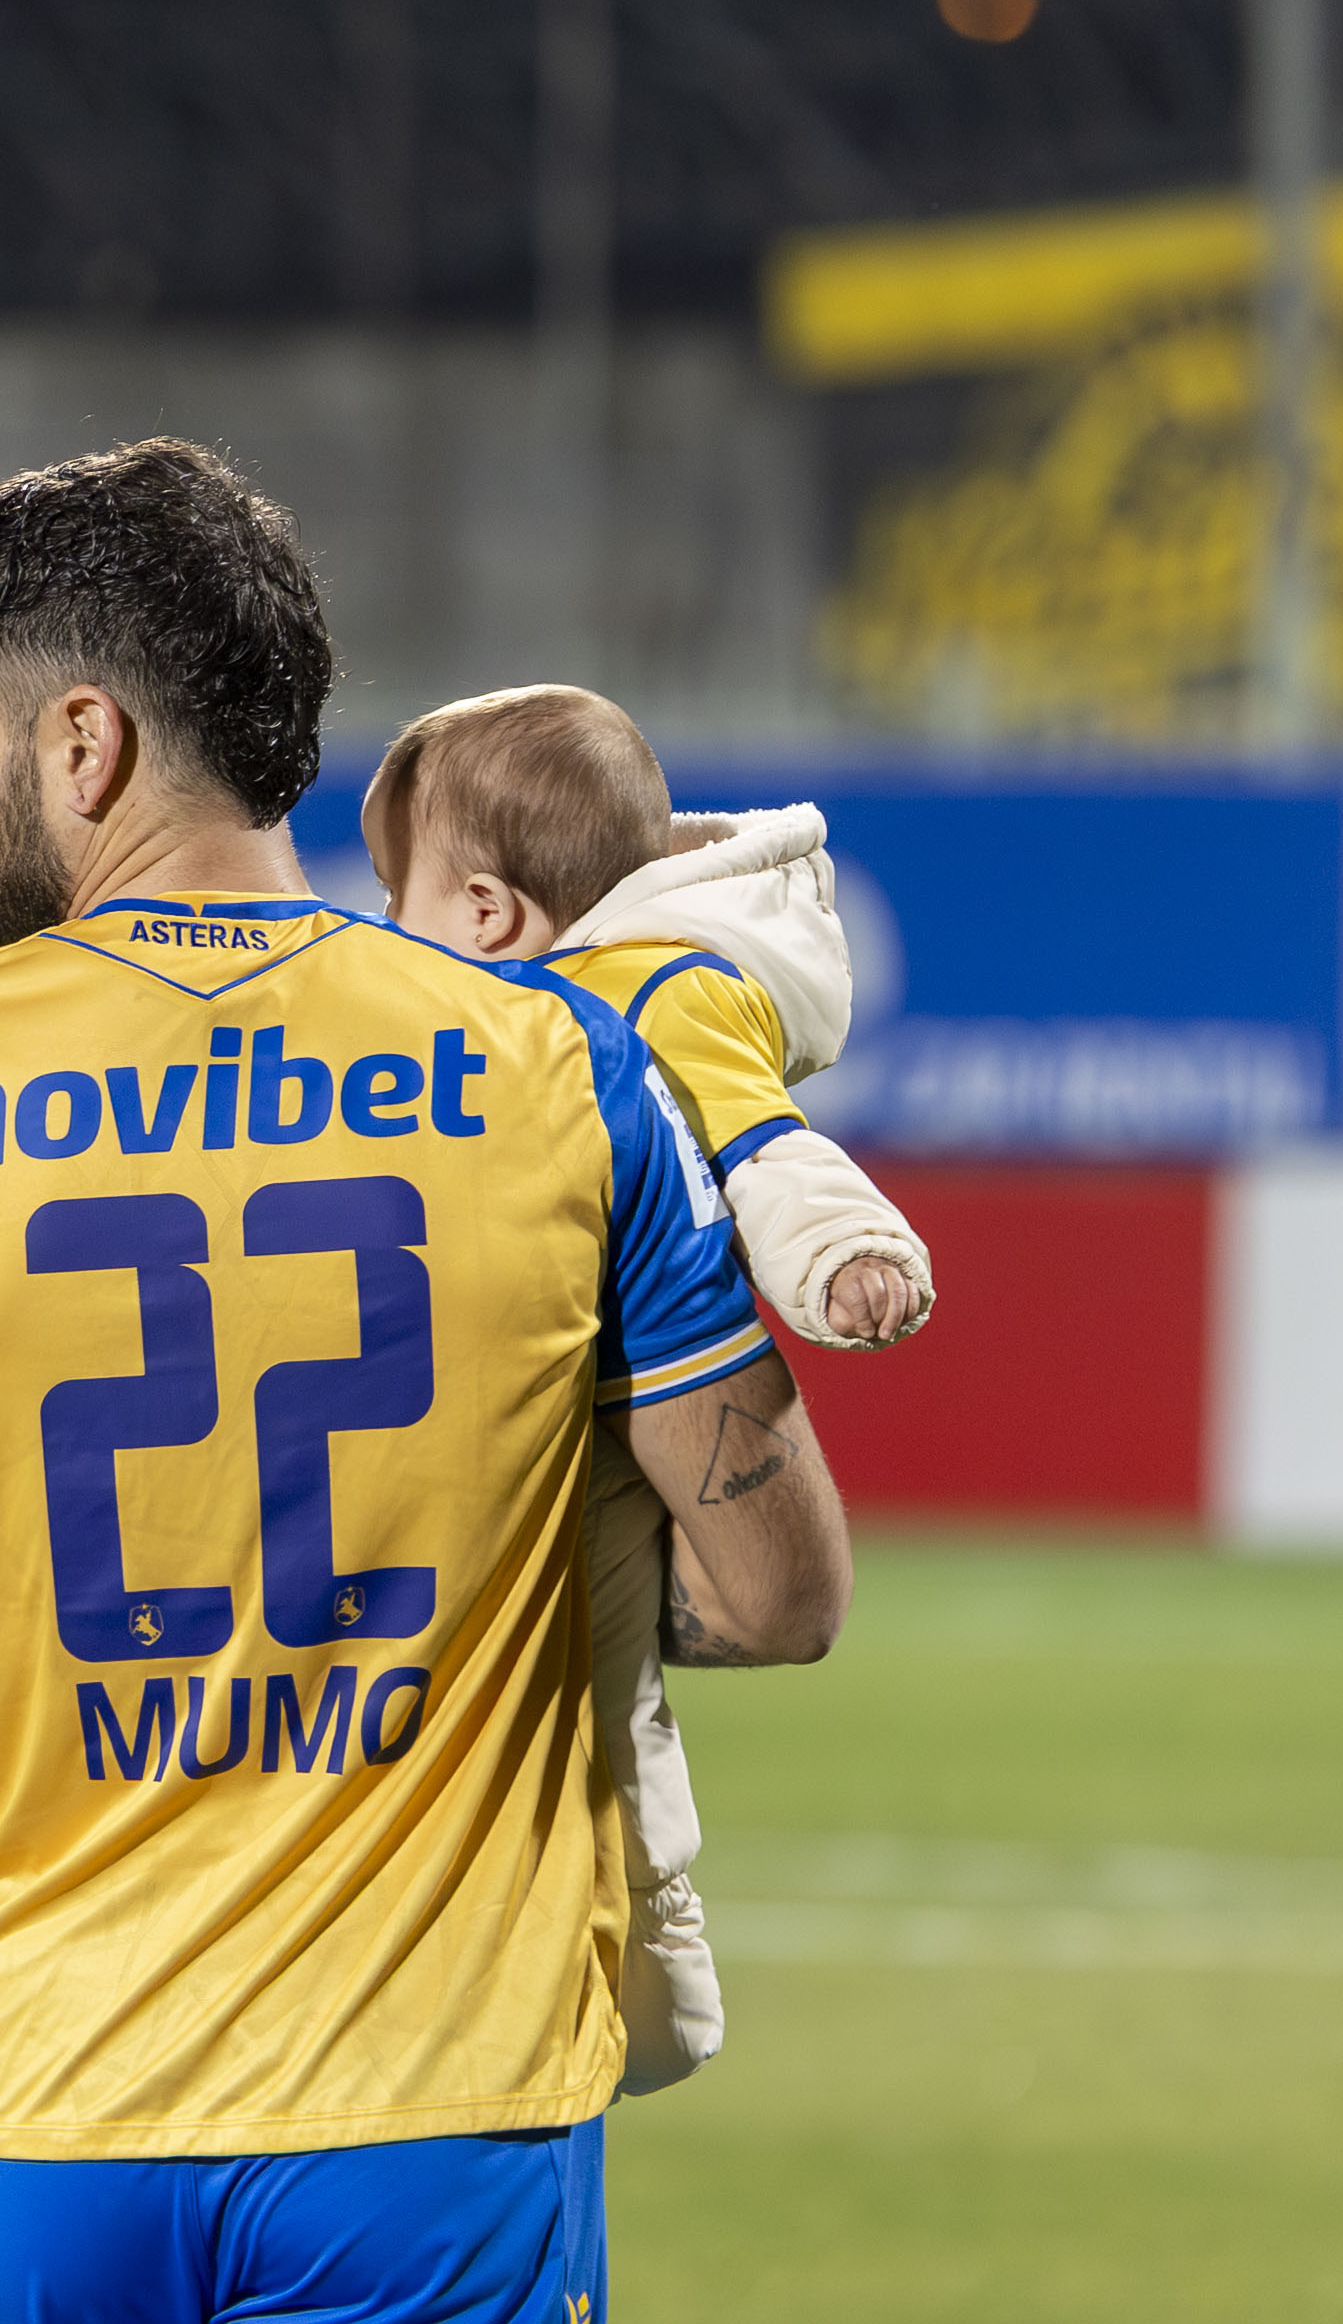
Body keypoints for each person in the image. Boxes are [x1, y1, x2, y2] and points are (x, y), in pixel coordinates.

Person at [0, 438, 857, 2324]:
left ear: (83, 745)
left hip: (54, 2118)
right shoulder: (559, 1067)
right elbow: (777, 1595)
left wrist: (133, 1785)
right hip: (440, 2110)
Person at [362, 682, 936, 2096]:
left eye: (401, 899)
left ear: (487, 914)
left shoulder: (638, 1002)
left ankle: (642, 1986)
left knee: (610, 1737)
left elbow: (768, 1146)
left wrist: (846, 1251)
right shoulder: (556, 1022)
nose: (382, 931)